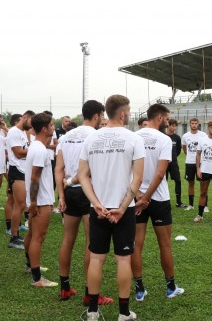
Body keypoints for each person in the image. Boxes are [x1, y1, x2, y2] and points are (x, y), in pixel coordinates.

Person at [78, 94, 144, 321]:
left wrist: (96, 204)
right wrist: (124, 207)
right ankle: (124, 313)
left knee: (96, 258)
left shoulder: (91, 139)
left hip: (99, 210)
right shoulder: (134, 139)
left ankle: (93, 312)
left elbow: (82, 176)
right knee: (123, 260)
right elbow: (137, 179)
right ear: (123, 113)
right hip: (122, 210)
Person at [55, 100, 113, 304]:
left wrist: (61, 195)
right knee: (92, 243)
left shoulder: (66, 136)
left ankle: (64, 288)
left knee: (67, 240)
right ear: (97, 116)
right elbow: (92, 170)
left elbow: (59, 169)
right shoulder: (97, 136)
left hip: (69, 192)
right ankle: (90, 294)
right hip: (89, 193)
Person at [132, 104, 185, 302]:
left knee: (136, 245)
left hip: (136, 199)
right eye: (167, 118)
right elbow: (161, 173)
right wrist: (146, 198)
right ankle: (170, 288)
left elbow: (129, 170)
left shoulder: (134, 137)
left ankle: (139, 290)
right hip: (159, 199)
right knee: (165, 245)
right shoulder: (164, 139)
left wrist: (139, 196)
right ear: (161, 118)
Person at [23, 112, 58, 287]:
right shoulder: (40, 150)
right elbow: (35, 178)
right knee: (38, 237)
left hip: (38, 199)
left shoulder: (36, 147)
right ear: (44, 128)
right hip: (40, 200)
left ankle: (30, 266)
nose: (53, 128)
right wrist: (35, 202)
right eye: (51, 125)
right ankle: (37, 278)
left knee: (31, 235)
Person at [6, 110, 35, 249]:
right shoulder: (14, 132)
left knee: (22, 204)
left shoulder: (23, 133)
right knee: (20, 204)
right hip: (16, 170)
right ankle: (13, 237)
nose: (32, 125)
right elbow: (18, 153)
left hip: (23, 170)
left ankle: (16, 234)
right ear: (24, 118)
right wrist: (35, 149)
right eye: (31, 121)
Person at [181, 118, 207, 211]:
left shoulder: (203, 135)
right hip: (189, 162)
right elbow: (184, 148)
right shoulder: (185, 136)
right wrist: (190, 155)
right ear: (190, 124)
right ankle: (191, 205)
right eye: (192, 123)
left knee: (203, 183)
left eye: (196, 123)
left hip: (201, 162)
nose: (194, 125)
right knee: (191, 183)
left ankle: (205, 206)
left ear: (198, 124)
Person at [165, 119, 184, 207]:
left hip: (173, 163)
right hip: (163, 163)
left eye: (175, 126)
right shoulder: (162, 136)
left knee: (178, 181)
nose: (174, 127)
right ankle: (163, 200)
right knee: (163, 182)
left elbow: (178, 151)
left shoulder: (177, 138)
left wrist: (173, 157)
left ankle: (178, 201)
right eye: (172, 125)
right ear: (168, 125)